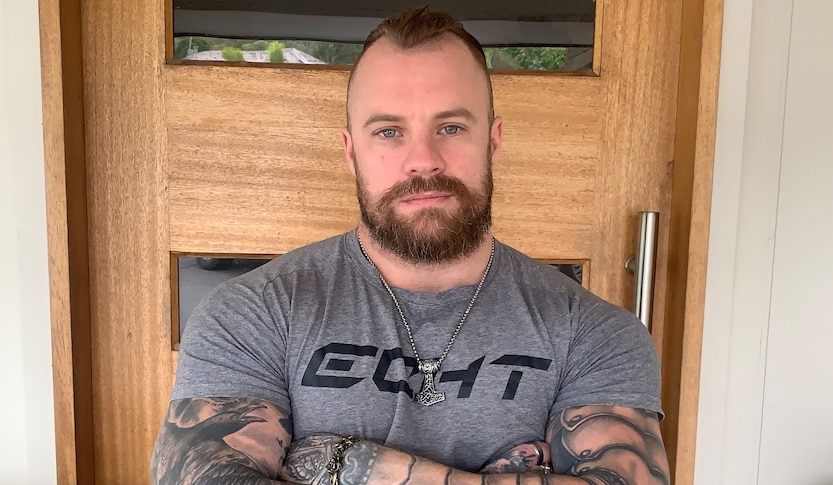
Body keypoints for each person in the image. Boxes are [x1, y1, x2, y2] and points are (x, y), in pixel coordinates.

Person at [151, 7, 670, 485]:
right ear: (351, 153)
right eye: (389, 132)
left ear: (491, 142)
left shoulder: (597, 335)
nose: (424, 160)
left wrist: (343, 464)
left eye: (450, 126)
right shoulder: (252, 314)